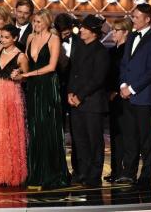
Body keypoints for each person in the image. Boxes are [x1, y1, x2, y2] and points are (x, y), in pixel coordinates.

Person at [15, 9, 69, 189]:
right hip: (33, 88)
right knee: (34, 128)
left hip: (48, 86)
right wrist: (20, 72)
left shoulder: (54, 39)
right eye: (34, 22)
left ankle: (52, 173)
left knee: (48, 128)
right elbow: (26, 64)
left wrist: (28, 74)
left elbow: (52, 66)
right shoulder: (30, 38)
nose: (36, 25)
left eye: (39, 22)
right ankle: (36, 172)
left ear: (46, 22)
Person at [117, 3, 151, 188]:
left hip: (142, 96)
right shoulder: (132, 36)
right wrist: (122, 85)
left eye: (136, 17)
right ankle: (129, 173)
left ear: (147, 19)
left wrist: (132, 88)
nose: (132, 20)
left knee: (145, 138)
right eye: (132, 16)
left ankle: (146, 176)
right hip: (126, 94)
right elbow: (124, 64)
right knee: (129, 136)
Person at [68, 14, 109, 187]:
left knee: (94, 141)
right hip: (75, 102)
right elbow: (73, 73)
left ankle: (94, 174)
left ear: (93, 32)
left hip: (92, 103)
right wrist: (70, 93)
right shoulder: (79, 47)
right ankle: (82, 172)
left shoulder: (101, 51)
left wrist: (80, 96)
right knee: (79, 140)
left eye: (84, 28)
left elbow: (97, 79)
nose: (81, 30)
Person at [0, 24, 27, 186]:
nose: (3, 40)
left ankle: (14, 175)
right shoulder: (0, 50)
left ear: (15, 39)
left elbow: (26, 77)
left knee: (12, 134)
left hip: (13, 96)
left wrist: (20, 76)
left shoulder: (21, 56)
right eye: (1, 37)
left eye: (6, 37)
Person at [104, 18, 132, 183]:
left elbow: (126, 74)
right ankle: (115, 170)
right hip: (112, 98)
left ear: (126, 32)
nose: (113, 33)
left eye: (116, 30)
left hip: (123, 98)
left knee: (125, 135)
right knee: (115, 135)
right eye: (113, 30)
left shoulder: (127, 51)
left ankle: (125, 171)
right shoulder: (112, 51)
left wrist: (116, 90)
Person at [54, 13, 81, 180]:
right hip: (57, 91)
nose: (66, 34)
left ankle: (78, 170)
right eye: (62, 32)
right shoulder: (53, 41)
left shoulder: (80, 41)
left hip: (77, 93)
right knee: (58, 131)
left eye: (68, 31)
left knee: (77, 132)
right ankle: (59, 169)